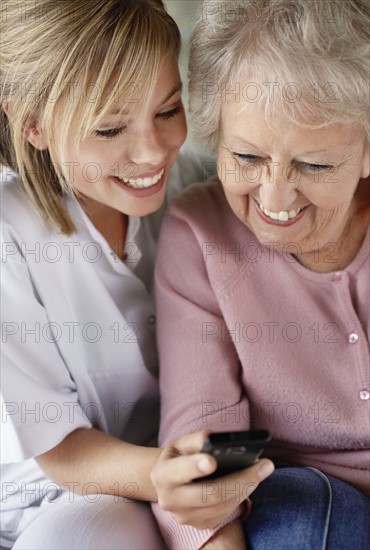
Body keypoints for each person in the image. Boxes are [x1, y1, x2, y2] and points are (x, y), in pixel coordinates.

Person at [1, 1, 270, 548]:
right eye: (109, 128)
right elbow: (63, 452)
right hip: (61, 490)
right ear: (32, 124)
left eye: (168, 111)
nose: (151, 152)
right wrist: (165, 478)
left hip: (184, 474)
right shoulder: (10, 235)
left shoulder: (195, 186)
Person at [150, 0, 370, 548]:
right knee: (307, 512)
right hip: (302, 499)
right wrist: (202, 502)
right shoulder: (200, 235)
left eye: (315, 165)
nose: (274, 199)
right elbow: (204, 446)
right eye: (246, 157)